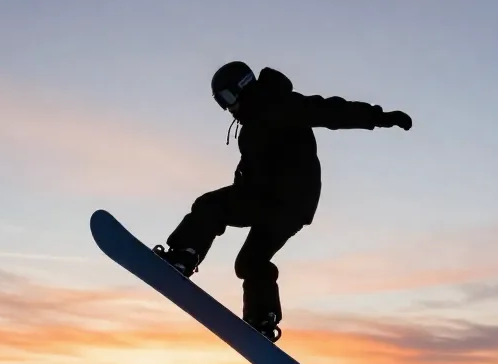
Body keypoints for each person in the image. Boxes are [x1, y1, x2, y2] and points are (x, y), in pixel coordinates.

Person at [154, 61, 412, 342]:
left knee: (209, 206)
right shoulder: (253, 125)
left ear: (243, 87)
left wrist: (380, 117)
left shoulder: (279, 104)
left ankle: (183, 255)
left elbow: (331, 111)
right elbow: (251, 170)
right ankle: (262, 320)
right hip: (291, 208)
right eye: (220, 102)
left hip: (278, 196)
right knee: (251, 262)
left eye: (227, 98)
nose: (227, 108)